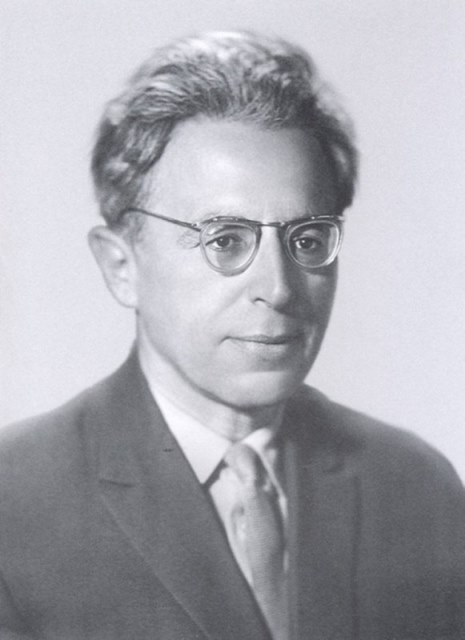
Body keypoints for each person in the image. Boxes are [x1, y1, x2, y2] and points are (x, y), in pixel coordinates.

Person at [0, 30, 464, 640]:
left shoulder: (414, 485)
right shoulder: (15, 501)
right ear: (121, 266)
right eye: (225, 240)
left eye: (307, 239)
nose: (279, 287)